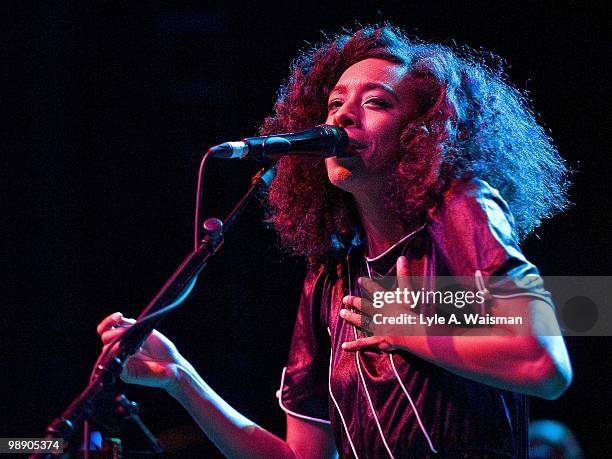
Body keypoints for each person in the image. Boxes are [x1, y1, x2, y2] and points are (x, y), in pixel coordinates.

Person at [97, 25, 573, 458]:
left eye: (377, 102)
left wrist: (415, 332)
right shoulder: (331, 276)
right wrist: (183, 379)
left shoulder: (460, 208)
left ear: (423, 134)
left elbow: (544, 364)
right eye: (335, 102)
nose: (344, 114)